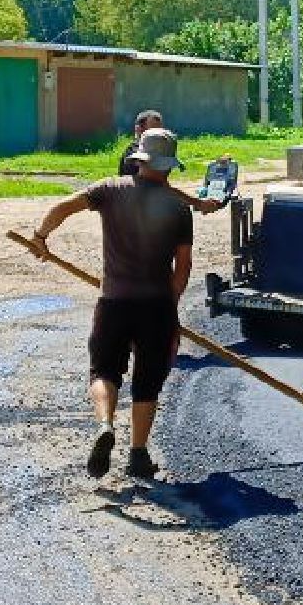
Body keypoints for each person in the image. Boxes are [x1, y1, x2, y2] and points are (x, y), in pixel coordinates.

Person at [31, 128, 195, 481]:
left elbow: (62, 207)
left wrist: (41, 237)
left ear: (139, 159)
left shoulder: (110, 189)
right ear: (169, 167)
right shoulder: (179, 208)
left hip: (114, 301)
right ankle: (138, 454)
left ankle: (105, 425)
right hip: (156, 306)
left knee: (104, 371)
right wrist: (171, 307)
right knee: (148, 380)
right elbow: (184, 267)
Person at [118, 109, 164, 177]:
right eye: (153, 129)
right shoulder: (134, 152)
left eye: (159, 128)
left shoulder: (159, 147)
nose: (159, 133)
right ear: (139, 129)